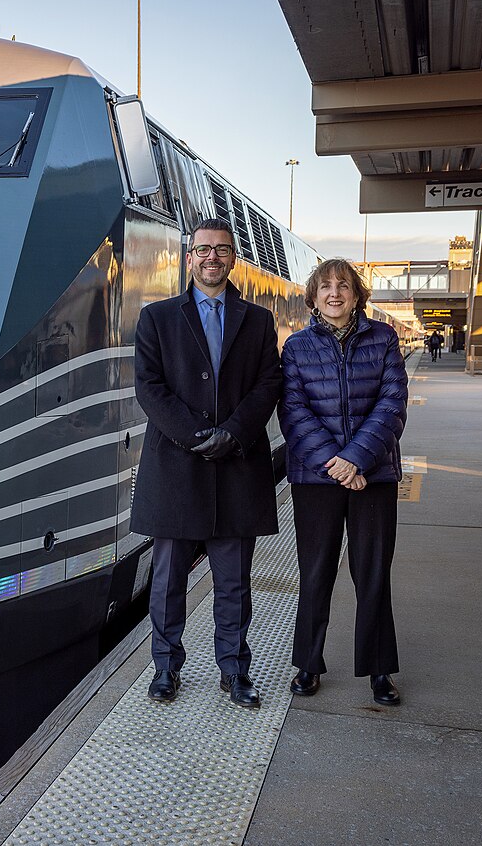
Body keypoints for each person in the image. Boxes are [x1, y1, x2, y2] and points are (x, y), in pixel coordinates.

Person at [132, 217, 283, 708]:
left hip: (237, 467)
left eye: (221, 249)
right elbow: (149, 389)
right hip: (176, 468)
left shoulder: (258, 321)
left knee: (235, 583)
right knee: (168, 580)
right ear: (189, 257)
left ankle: (235, 671)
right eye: (203, 250)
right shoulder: (156, 318)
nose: (212, 257)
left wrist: (234, 433)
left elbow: (268, 384)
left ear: (233, 258)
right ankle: (165, 668)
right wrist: (199, 435)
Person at [278, 258, 408, 706]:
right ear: (313, 297)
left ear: (357, 295)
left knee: (372, 572)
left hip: (375, 474)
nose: (335, 293)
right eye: (326, 287)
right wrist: (334, 464)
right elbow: (293, 412)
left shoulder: (384, 338)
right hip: (315, 478)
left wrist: (355, 461)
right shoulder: (296, 347)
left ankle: (378, 671)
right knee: (315, 573)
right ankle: (308, 664)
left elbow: (392, 403)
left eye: (344, 286)